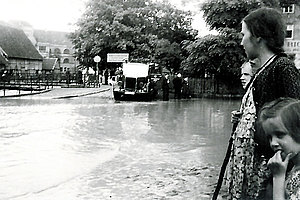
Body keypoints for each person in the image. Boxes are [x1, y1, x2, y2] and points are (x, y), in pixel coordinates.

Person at [223, 7, 300, 200]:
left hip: (268, 174)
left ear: (258, 36)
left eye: (244, 34)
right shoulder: (263, 70)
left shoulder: (282, 67)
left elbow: (294, 116)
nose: (241, 41)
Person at [258, 97, 300, 200]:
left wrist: (278, 178)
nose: (273, 143)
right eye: (270, 137)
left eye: (280, 134)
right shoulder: (294, 168)